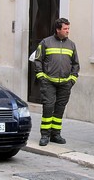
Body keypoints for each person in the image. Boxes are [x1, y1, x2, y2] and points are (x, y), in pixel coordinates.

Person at [34, 18, 80, 146]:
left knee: (59, 109)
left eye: (68, 29)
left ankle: (56, 134)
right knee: (48, 108)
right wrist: (41, 77)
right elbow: (38, 60)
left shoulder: (71, 45)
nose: (67, 31)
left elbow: (76, 64)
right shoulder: (45, 42)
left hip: (65, 83)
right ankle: (45, 135)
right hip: (48, 82)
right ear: (58, 29)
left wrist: (72, 79)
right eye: (65, 29)